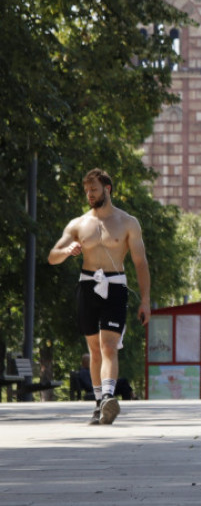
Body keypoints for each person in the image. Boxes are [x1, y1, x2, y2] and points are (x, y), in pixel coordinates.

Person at [49, 169, 151, 425]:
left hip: (115, 286)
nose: (90, 195)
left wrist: (145, 300)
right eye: (87, 191)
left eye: (93, 189)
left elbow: (140, 263)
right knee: (94, 349)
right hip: (87, 285)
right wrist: (67, 250)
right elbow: (52, 256)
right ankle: (99, 404)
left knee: (109, 346)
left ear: (107, 189)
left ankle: (107, 396)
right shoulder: (79, 224)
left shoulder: (128, 222)